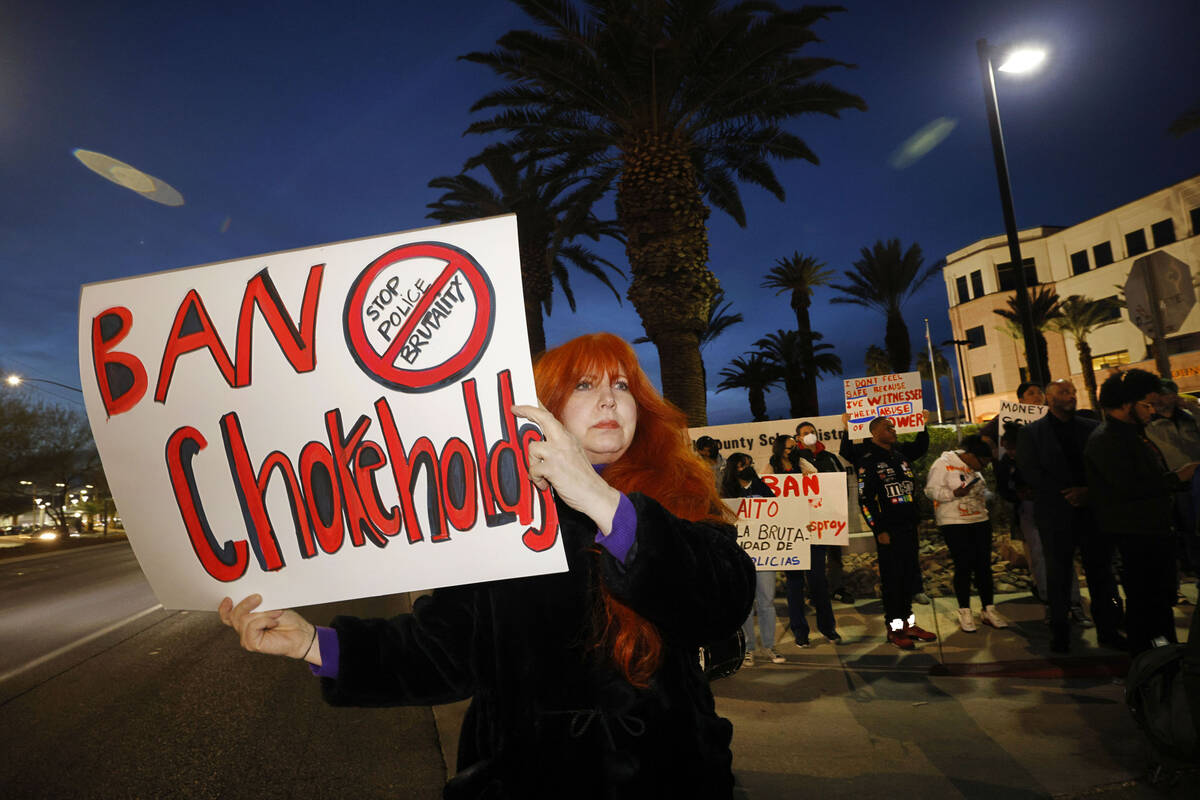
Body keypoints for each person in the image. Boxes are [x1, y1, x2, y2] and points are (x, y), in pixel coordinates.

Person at [218, 332, 756, 798]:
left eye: (622, 385)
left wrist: (600, 500)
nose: (609, 400)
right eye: (585, 386)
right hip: (527, 780)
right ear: (543, 409)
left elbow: (723, 601)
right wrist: (313, 643)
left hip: (668, 778)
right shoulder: (493, 514)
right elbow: (446, 649)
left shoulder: (679, 496)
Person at [1085, 369, 1198, 655]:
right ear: (1126, 404)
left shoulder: (1133, 435)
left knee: (1159, 603)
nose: (1152, 410)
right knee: (1145, 605)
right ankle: (1151, 665)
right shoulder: (1107, 439)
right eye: (1146, 404)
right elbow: (1128, 486)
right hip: (1136, 536)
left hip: (1154, 531)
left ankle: (1164, 657)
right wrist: (1176, 479)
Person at [1017, 379, 1123, 653]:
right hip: (1056, 514)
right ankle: (1061, 633)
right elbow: (1031, 472)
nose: (1071, 396)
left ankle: (1109, 630)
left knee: (1101, 573)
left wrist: (1087, 491)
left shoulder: (1092, 428)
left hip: (1092, 512)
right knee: (1059, 574)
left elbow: (1106, 466)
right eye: (1064, 392)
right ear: (1050, 399)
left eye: (1073, 392)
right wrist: (1067, 494)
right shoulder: (1032, 434)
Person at [854, 414, 936, 649]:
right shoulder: (867, 461)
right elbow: (865, 501)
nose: (894, 430)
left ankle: (909, 624)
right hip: (888, 532)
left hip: (909, 527)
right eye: (888, 427)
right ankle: (895, 629)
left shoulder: (900, 457)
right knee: (893, 581)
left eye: (893, 427)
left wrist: (917, 517)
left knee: (910, 578)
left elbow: (911, 489)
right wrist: (877, 529)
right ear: (875, 433)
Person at [925, 434, 1009, 632]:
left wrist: (986, 496)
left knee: (983, 566)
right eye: (983, 462)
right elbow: (930, 490)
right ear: (971, 456)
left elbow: (983, 491)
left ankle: (988, 609)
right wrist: (953, 494)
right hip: (954, 522)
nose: (984, 467)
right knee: (963, 565)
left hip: (980, 520)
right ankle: (965, 611)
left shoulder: (975, 470)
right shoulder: (943, 464)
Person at [721, 453, 786, 665]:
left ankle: (768, 646)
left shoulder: (763, 488)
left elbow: (779, 514)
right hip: (740, 557)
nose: (749, 467)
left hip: (765, 556)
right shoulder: (726, 492)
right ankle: (748, 648)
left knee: (767, 601)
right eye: (744, 465)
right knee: (746, 604)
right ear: (734, 468)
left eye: (750, 463)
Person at [786, 421, 845, 644]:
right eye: (805, 433)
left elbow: (839, 490)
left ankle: (828, 628)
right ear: (797, 439)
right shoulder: (790, 463)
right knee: (795, 586)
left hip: (819, 530)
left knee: (819, 582)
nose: (810, 435)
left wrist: (836, 519)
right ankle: (800, 633)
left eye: (812, 432)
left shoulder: (829, 458)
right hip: (795, 533)